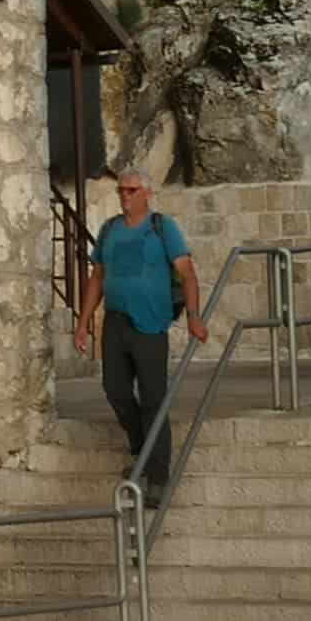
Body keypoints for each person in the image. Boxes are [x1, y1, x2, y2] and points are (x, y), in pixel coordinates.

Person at [91, 177, 203, 505]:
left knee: (153, 398)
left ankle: (157, 474)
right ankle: (141, 452)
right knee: (115, 390)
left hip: (151, 323)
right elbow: (97, 276)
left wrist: (194, 316)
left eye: (132, 190)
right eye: (121, 190)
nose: (124, 196)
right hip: (116, 321)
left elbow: (187, 273)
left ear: (147, 194)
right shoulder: (109, 230)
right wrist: (83, 322)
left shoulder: (162, 227)